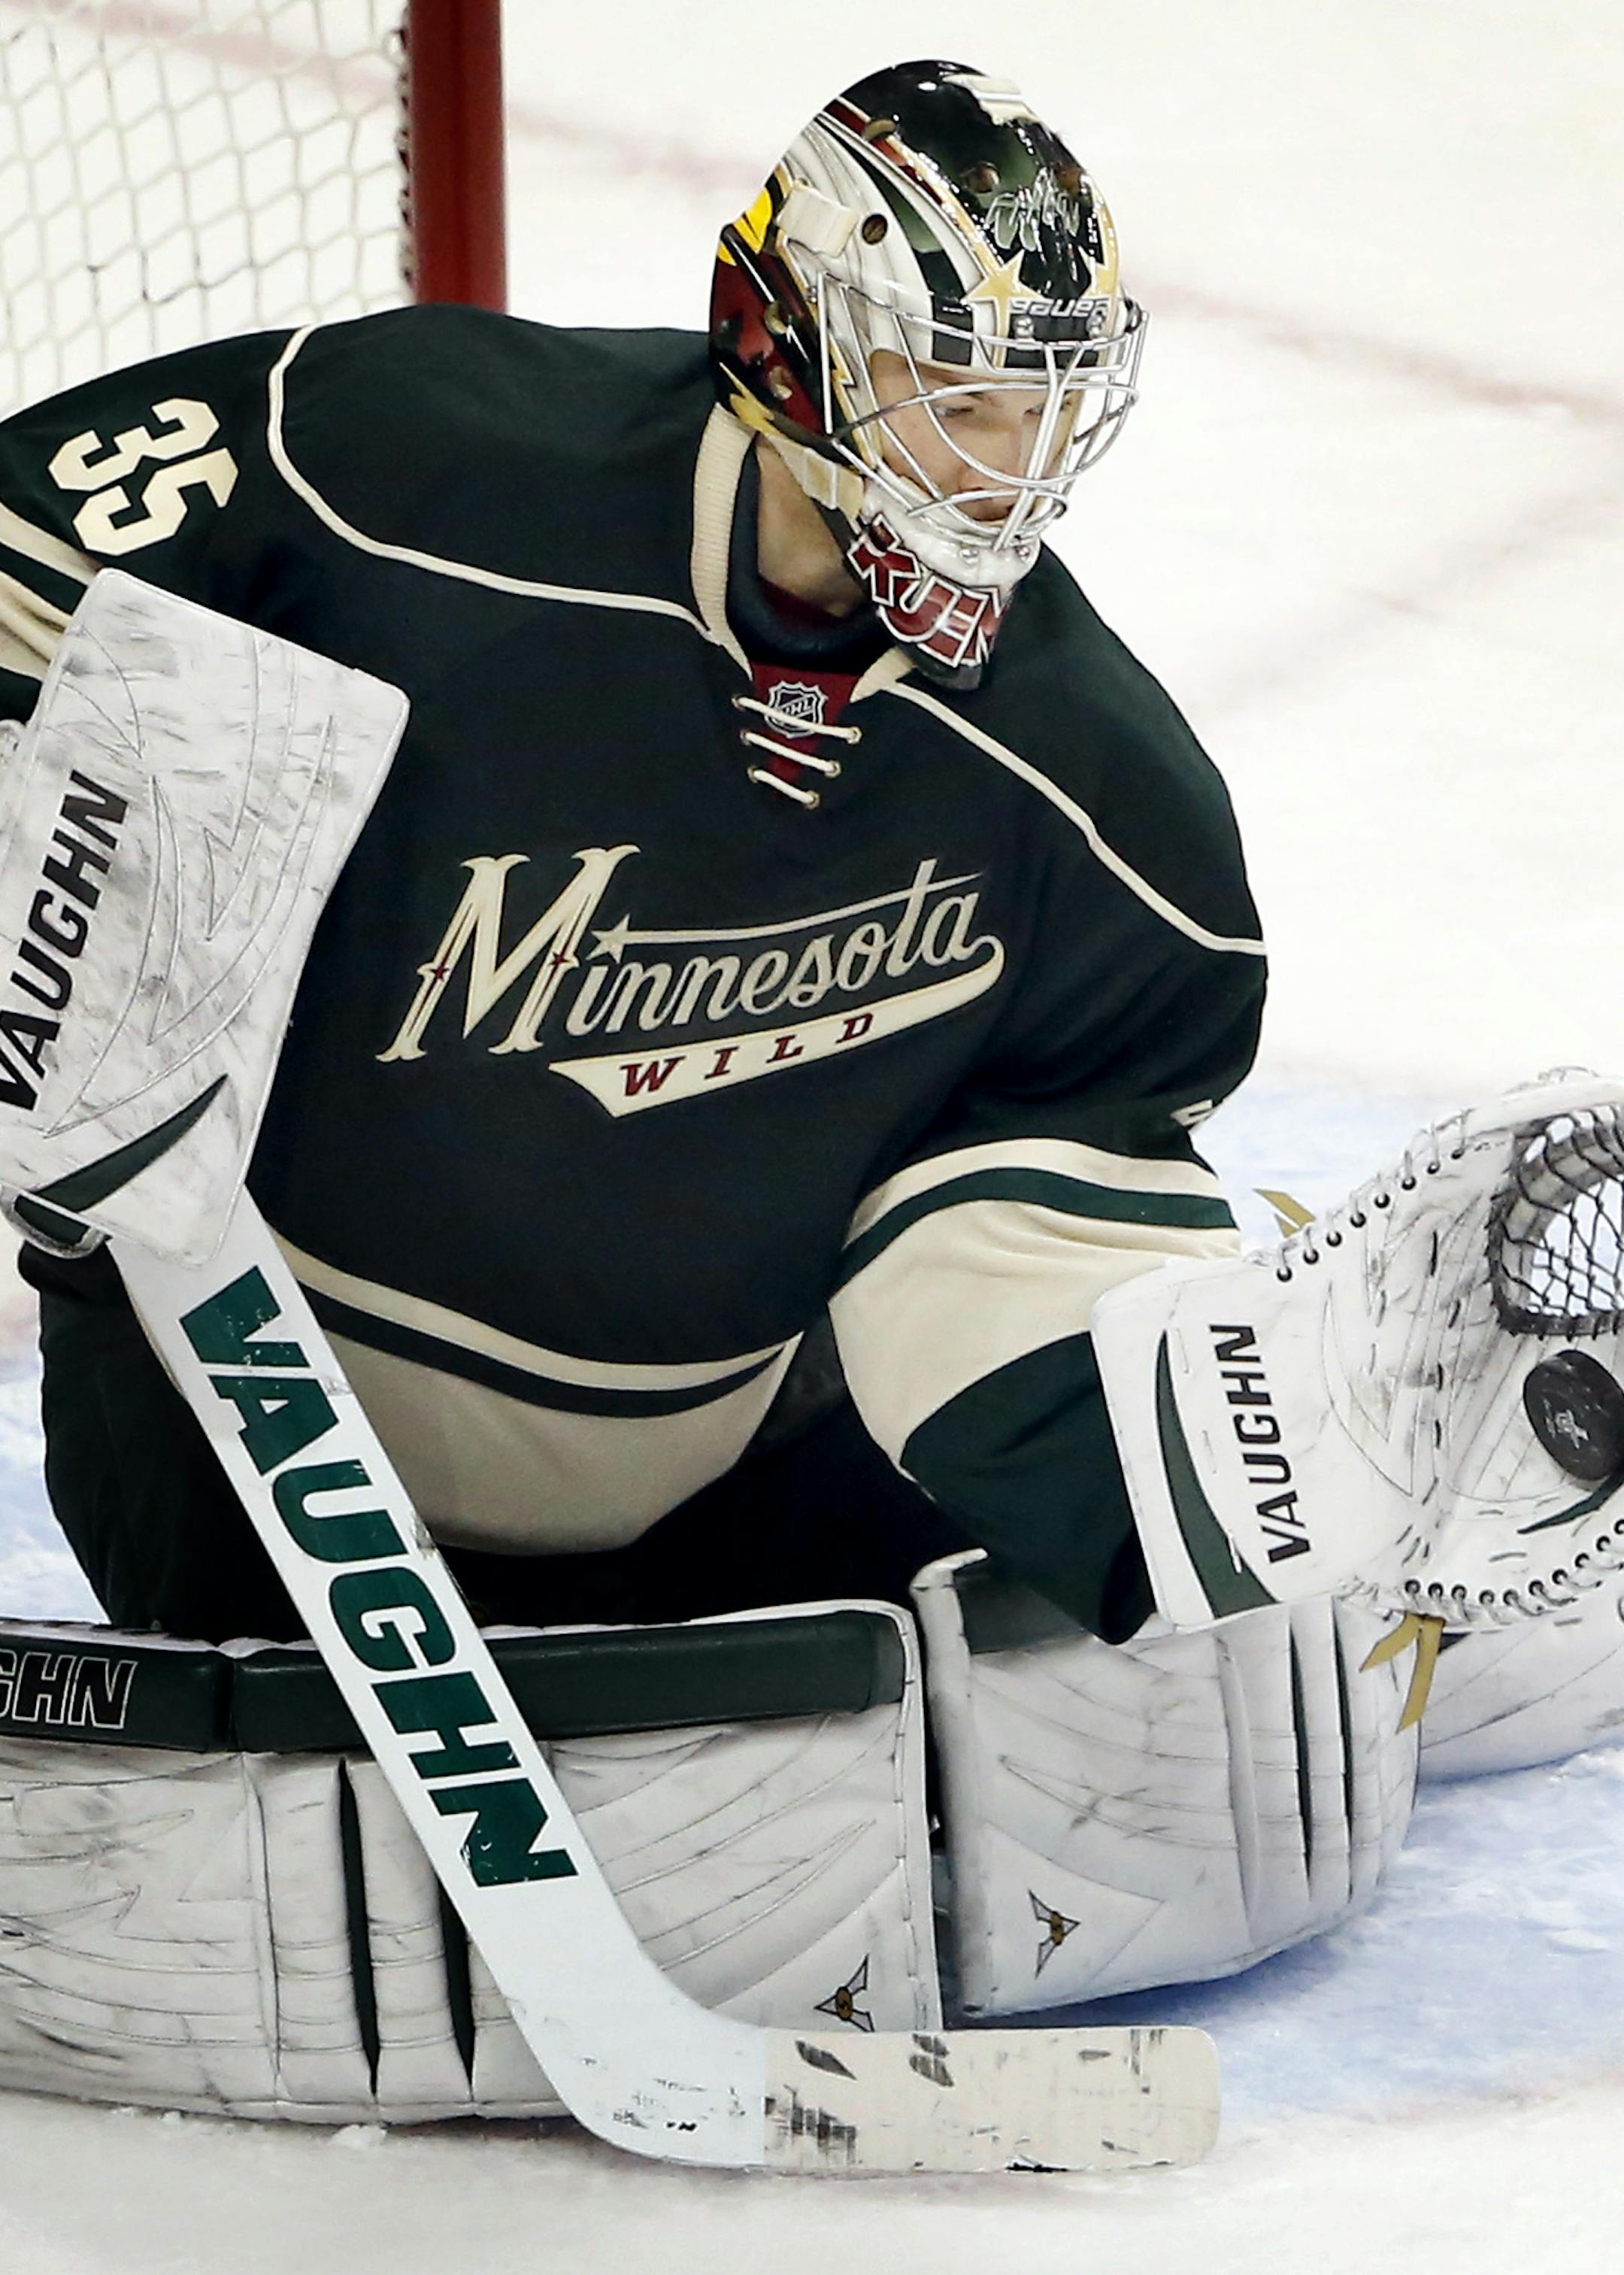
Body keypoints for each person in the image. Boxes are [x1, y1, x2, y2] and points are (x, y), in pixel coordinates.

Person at [0, 59, 1264, 1648]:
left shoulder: (1106, 806)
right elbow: (25, 534)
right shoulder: (402, 464)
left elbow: (1042, 1216)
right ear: (776, 337)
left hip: (707, 1498)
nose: (1004, 466)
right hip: (234, 1444)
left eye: (1044, 403)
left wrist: (1233, 1483)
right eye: (952, 397)